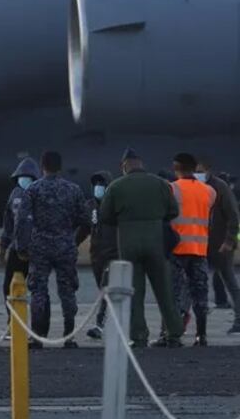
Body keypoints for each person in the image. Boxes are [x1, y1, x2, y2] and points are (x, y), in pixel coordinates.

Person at [99, 148, 183, 347]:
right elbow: (173, 211)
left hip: (128, 244)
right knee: (164, 291)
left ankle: (139, 336)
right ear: (141, 163)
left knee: (135, 293)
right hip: (156, 242)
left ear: (124, 166)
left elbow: (105, 216)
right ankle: (174, 333)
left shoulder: (116, 186)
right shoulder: (160, 184)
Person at [15, 151, 88, 349]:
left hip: (40, 246)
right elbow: (86, 220)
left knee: (38, 290)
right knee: (67, 290)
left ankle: (37, 336)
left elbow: (22, 221)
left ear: (42, 166)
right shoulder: (73, 190)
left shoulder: (33, 189)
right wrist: (74, 241)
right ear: (60, 167)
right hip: (65, 245)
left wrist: (22, 247)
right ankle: (69, 335)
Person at [166, 153, 216, 346]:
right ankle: (201, 335)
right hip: (199, 250)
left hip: (177, 250)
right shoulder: (209, 191)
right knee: (200, 295)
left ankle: (172, 335)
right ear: (195, 168)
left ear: (175, 168)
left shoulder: (171, 189)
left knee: (174, 295)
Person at [196, 160, 240, 331]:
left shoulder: (220, 187)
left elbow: (233, 216)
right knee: (194, 283)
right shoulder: (195, 187)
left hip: (219, 245)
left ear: (208, 170)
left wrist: (229, 241)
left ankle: (239, 319)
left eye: (200, 171)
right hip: (200, 244)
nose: (198, 174)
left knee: (229, 281)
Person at [75, 171, 118, 340]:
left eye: (102, 184)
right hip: (96, 255)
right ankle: (113, 319)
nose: (98, 187)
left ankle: (100, 324)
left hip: (113, 253)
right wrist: (73, 244)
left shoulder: (115, 205)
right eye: (96, 184)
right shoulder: (90, 206)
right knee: (103, 288)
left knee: (106, 288)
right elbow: (85, 228)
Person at [0, 157, 40, 324]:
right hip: (17, 249)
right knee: (9, 286)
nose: (24, 180)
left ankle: (38, 328)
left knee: (38, 289)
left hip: (36, 250)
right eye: (22, 177)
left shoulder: (41, 194)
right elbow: (8, 224)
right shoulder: (14, 195)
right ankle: (13, 321)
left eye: (28, 177)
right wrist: (3, 247)